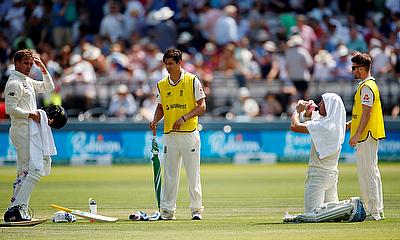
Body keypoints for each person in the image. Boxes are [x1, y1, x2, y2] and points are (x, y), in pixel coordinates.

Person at [149, 48, 206, 221]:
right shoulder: (162, 84)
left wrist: (184, 117)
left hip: (189, 133)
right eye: (166, 64)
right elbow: (160, 107)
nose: (168, 67)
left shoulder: (192, 80)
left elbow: (202, 106)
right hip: (170, 135)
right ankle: (167, 211)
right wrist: (155, 120)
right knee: (170, 175)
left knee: (192, 174)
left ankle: (196, 210)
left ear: (180, 62)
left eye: (171, 64)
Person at [4, 49, 55, 222]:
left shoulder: (26, 81)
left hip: (29, 129)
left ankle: (18, 208)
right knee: (32, 169)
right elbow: (10, 109)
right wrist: (31, 115)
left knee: (26, 171)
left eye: (30, 64)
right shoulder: (14, 83)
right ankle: (15, 209)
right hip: (21, 129)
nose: (28, 67)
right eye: (25, 63)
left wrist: (42, 68)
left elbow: (49, 87)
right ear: (17, 63)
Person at [290, 93, 346, 213]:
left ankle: (351, 207)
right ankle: (347, 208)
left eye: (322, 103)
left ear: (329, 107)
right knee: (333, 215)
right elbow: (317, 121)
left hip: (318, 177)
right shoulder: (337, 125)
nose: (319, 104)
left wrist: (297, 110)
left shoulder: (324, 126)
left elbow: (295, 126)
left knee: (312, 214)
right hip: (332, 176)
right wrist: (309, 113)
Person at [348, 52, 386, 221]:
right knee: (372, 172)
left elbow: (367, 114)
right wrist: (350, 124)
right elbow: (361, 114)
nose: (352, 71)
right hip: (367, 134)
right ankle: (378, 209)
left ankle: (373, 211)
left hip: (366, 136)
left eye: (354, 68)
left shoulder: (367, 87)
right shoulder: (367, 85)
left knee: (367, 173)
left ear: (362, 68)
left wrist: (356, 134)